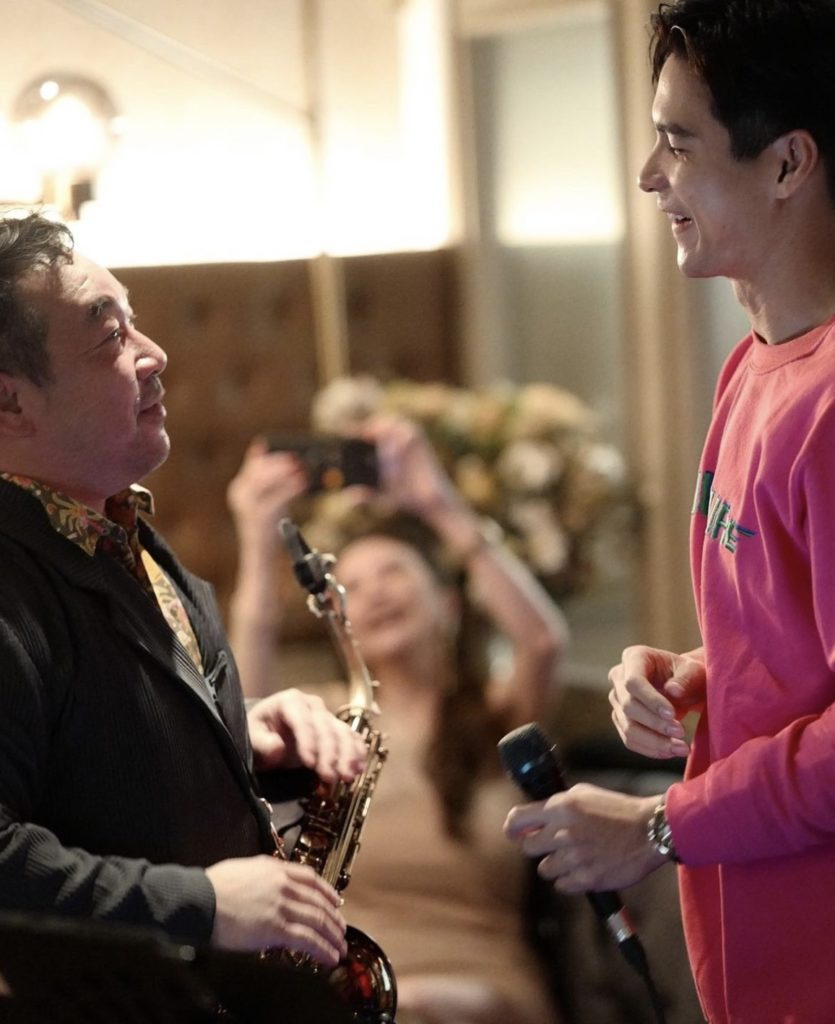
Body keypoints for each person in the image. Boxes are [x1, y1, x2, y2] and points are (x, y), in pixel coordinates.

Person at [503, 2, 835, 1022]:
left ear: (786, 164)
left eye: (677, 143)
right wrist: (697, 676)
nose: (650, 176)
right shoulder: (753, 365)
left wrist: (656, 827)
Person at [0, 210, 368, 972]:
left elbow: (92, 759)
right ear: (9, 403)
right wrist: (197, 904)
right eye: (111, 337)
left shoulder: (117, 529)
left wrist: (237, 733)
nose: (154, 354)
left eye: (133, 321)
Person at [227, 415, 569, 1024]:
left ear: (447, 602)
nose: (377, 593)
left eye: (394, 573)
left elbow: (542, 643)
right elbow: (241, 701)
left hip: (479, 990)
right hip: (345, 993)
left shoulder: (493, 714)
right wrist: (257, 536)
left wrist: (439, 506)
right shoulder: (324, 721)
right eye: (353, 586)